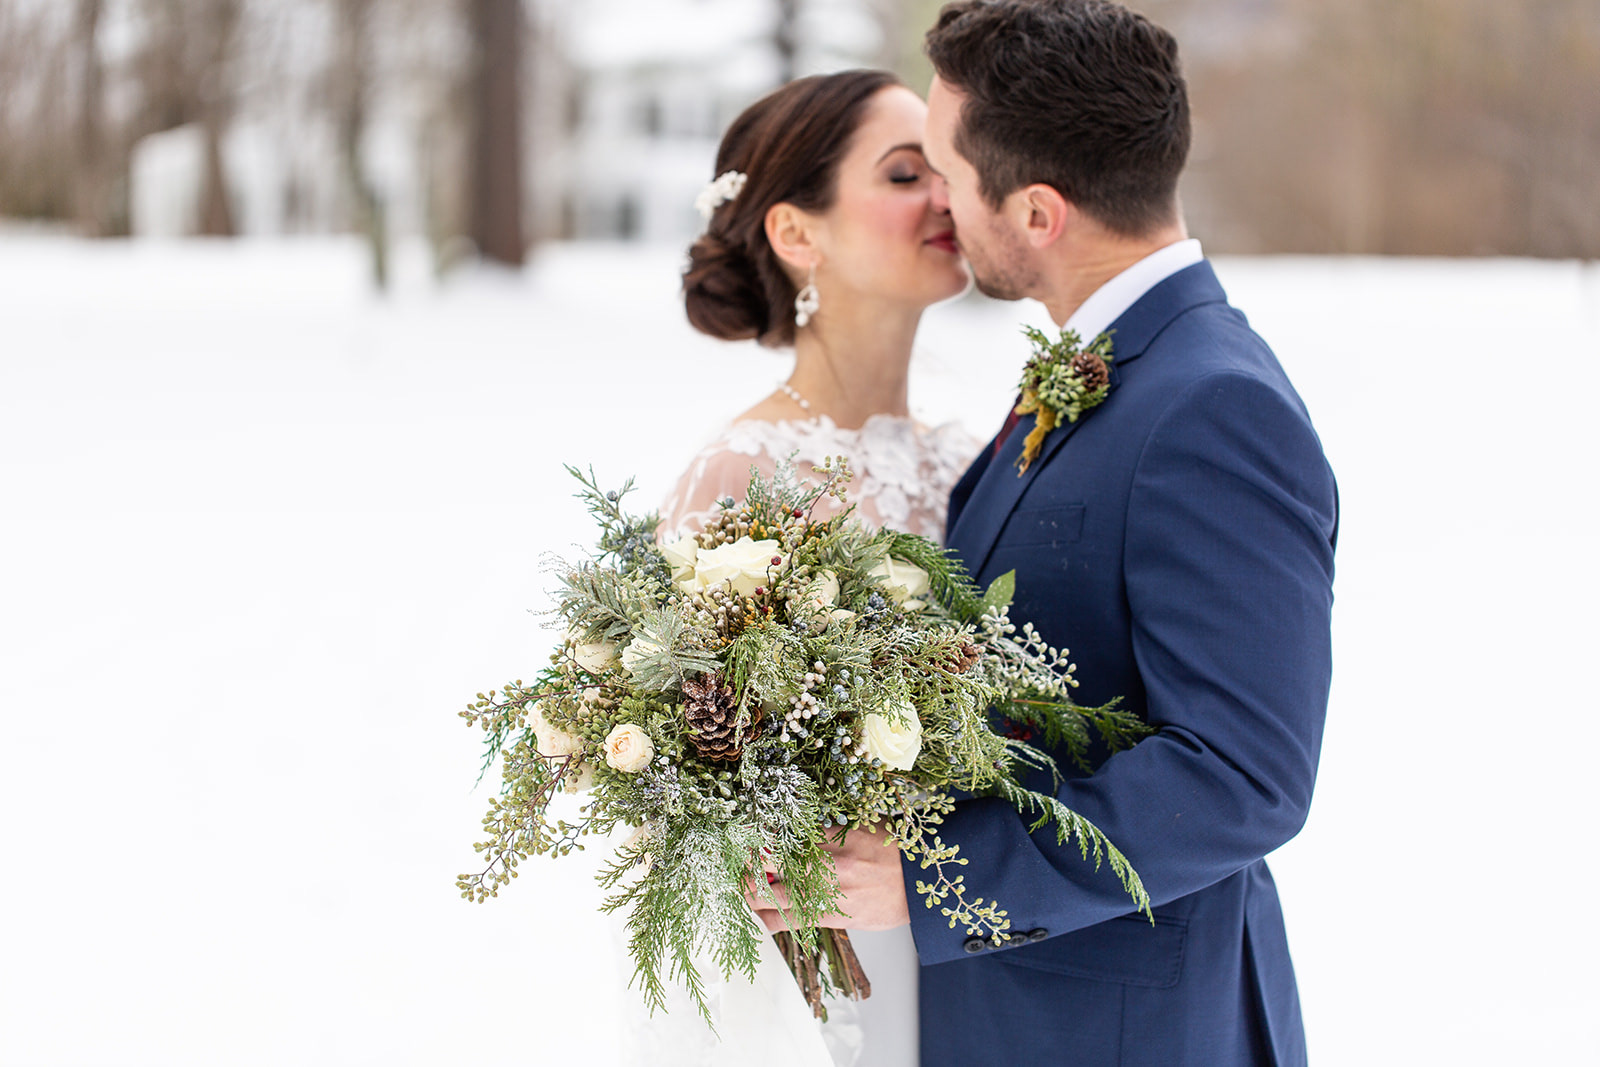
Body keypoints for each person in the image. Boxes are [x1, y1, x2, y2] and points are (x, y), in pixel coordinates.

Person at [750, 3, 1339, 1065]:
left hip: (1128, 1028)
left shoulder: (1210, 405)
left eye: (947, 169)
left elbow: (1242, 773)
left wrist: (932, 875)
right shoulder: (1113, 365)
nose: (938, 199)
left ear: (1034, 213)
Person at [646, 69, 979, 1067]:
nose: (947, 197)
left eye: (949, 170)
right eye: (904, 172)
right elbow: (686, 804)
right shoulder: (739, 477)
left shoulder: (975, 461)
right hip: (823, 979)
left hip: (973, 949)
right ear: (799, 233)